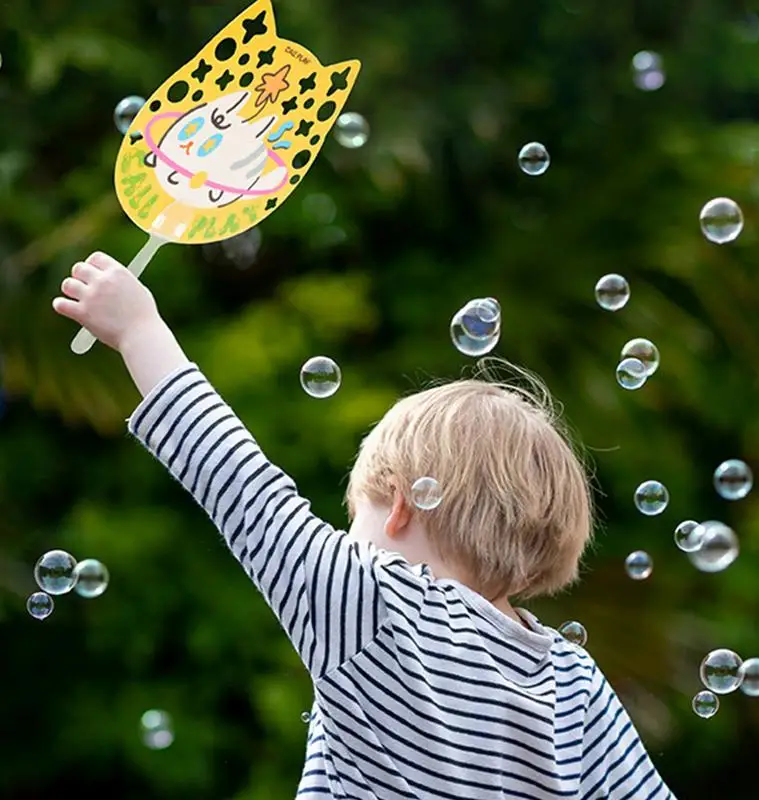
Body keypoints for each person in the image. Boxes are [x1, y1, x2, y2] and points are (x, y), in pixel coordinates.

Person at [53, 251, 675, 800]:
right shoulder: (573, 678)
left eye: (356, 519)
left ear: (401, 506)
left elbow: (240, 488)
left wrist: (139, 329)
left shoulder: (378, 605)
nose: (346, 542)